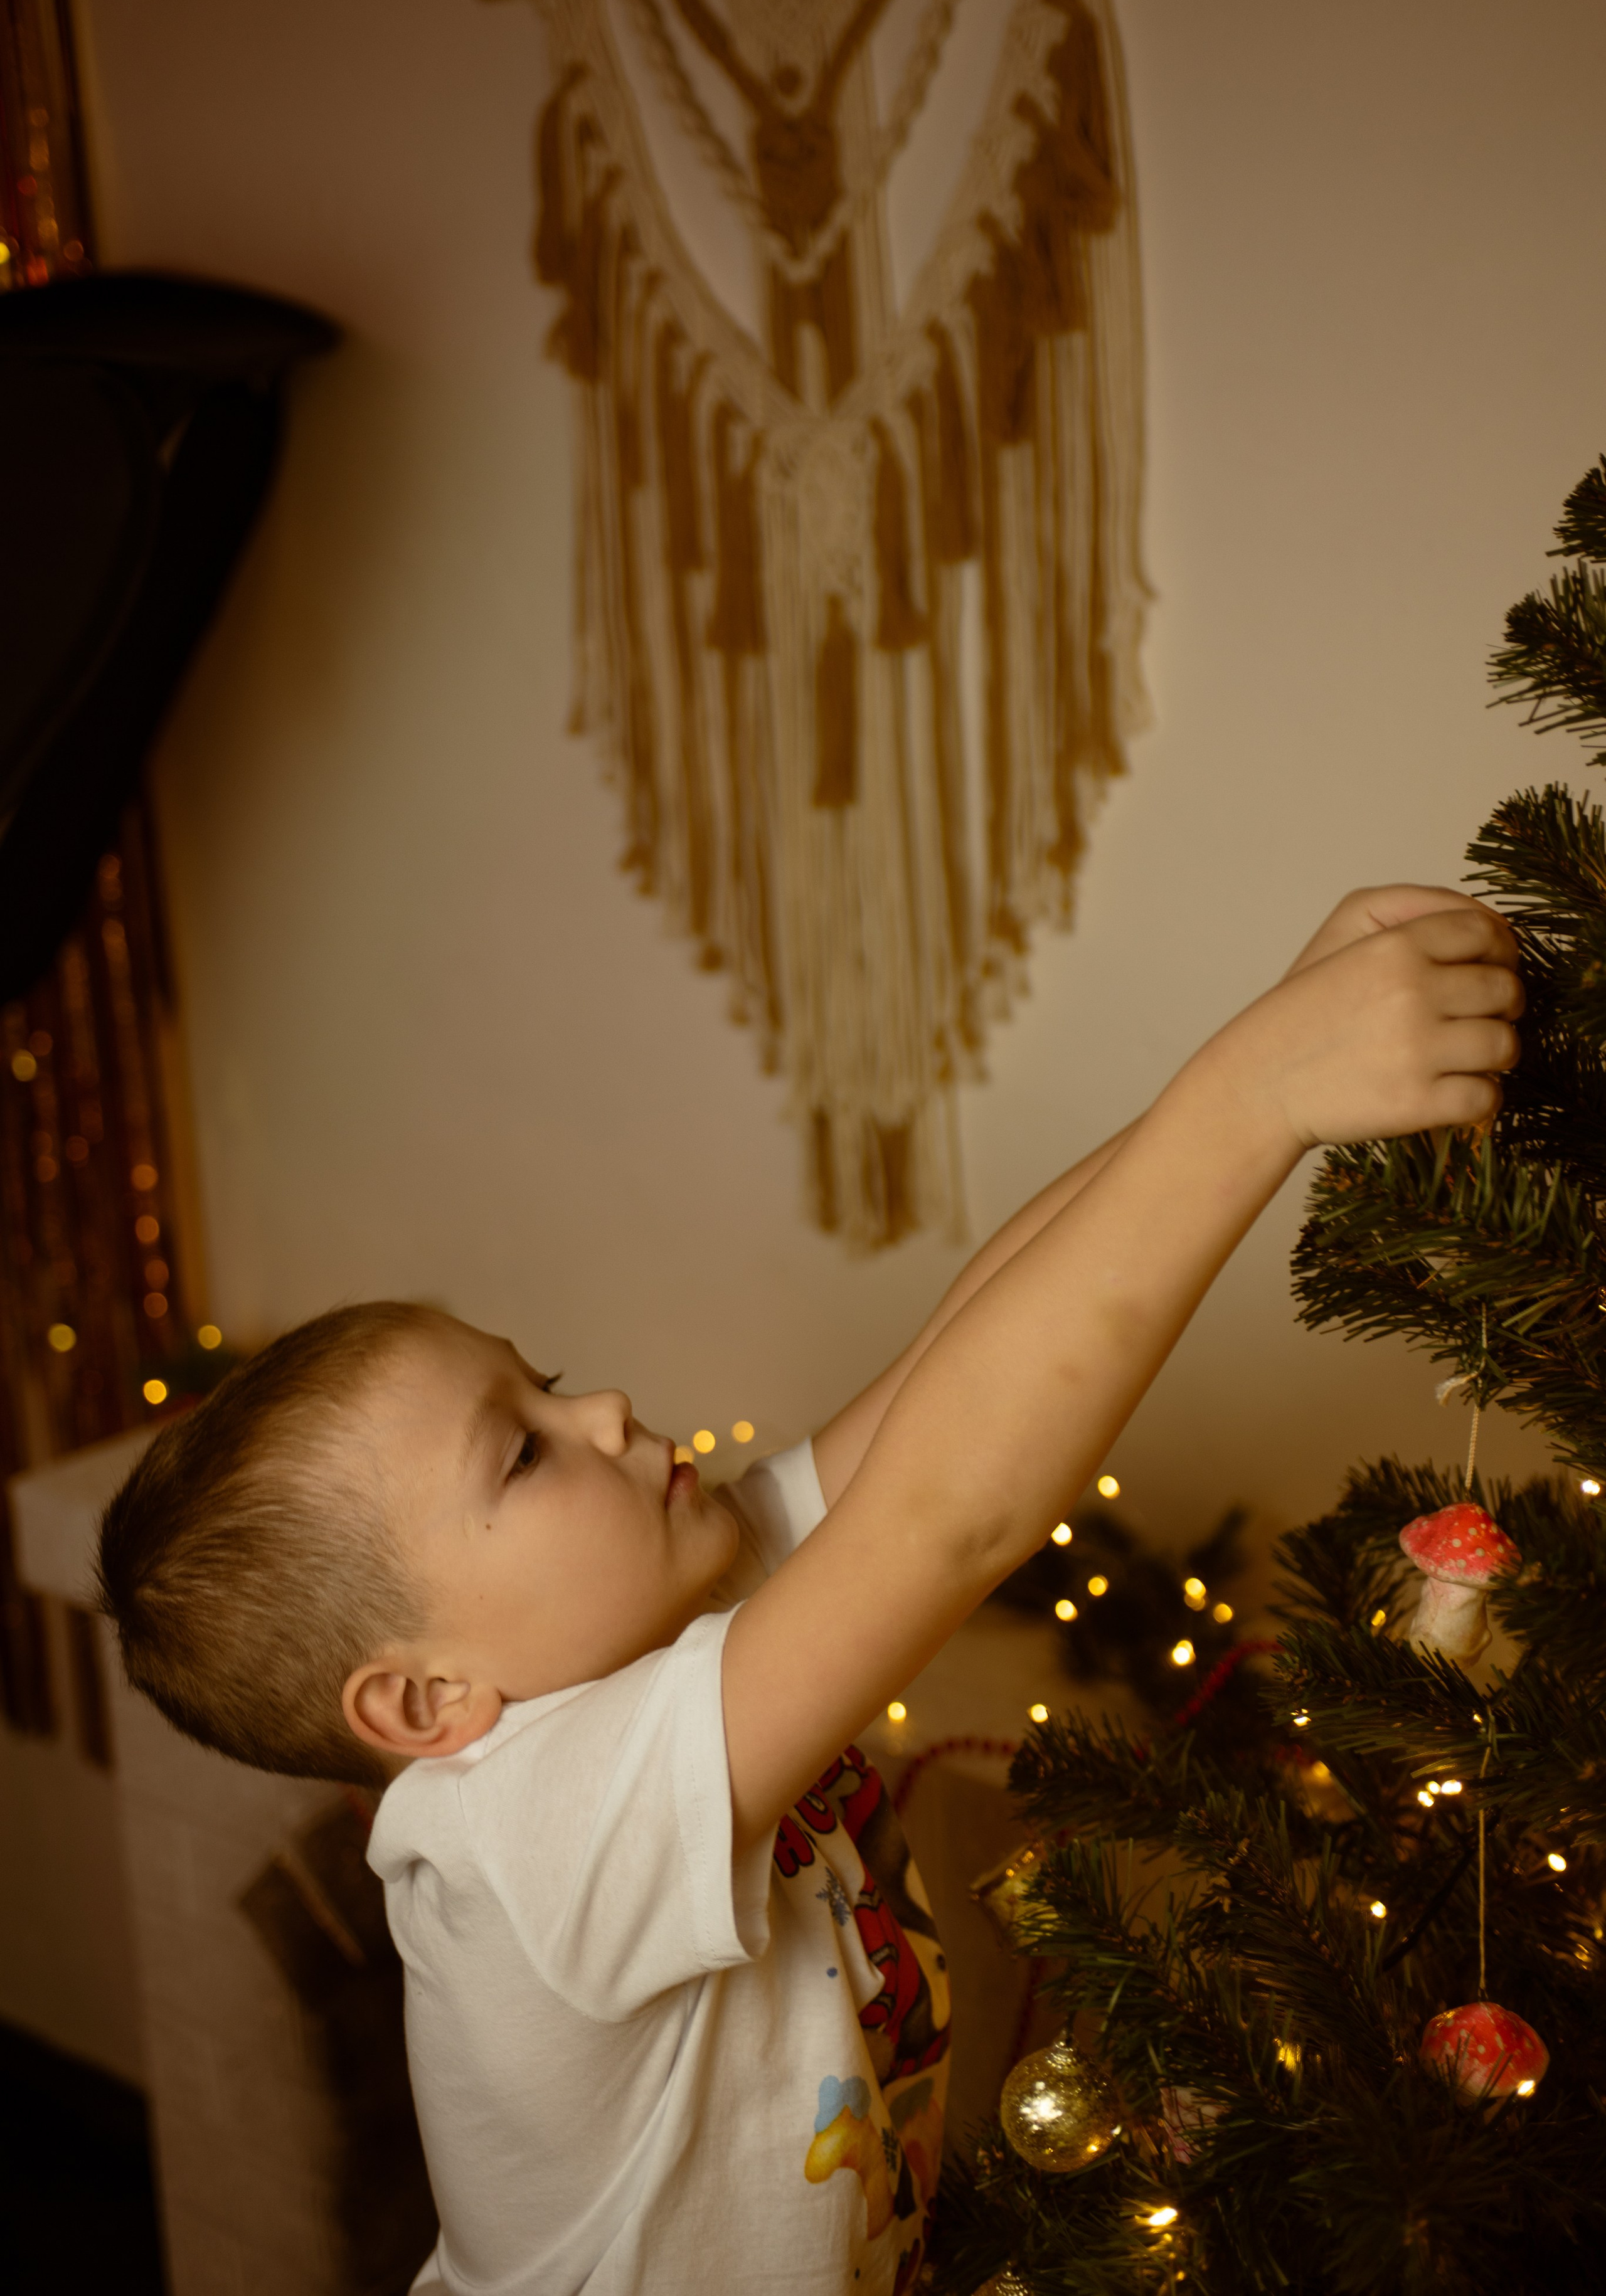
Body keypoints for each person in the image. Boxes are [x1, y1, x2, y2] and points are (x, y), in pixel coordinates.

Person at [97, 885, 1522, 2296]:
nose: (597, 1409)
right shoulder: (526, 1837)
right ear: (425, 1700)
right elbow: (947, 1516)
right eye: (523, 1450)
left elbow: (948, 1366)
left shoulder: (670, 1616)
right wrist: (1252, 1096)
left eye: (541, 1375)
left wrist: (1254, 1049)